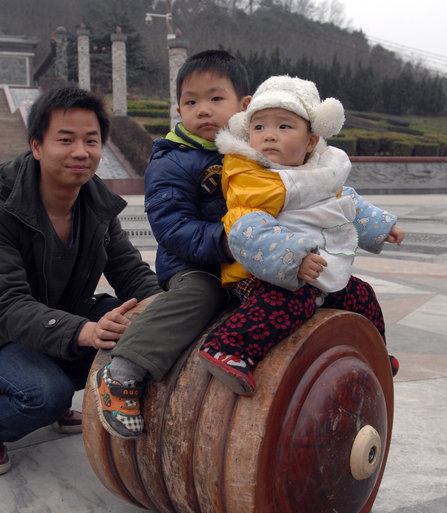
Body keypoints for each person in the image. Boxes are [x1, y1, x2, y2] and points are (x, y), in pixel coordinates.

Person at [199, 75, 405, 395]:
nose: (269, 135)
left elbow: (344, 202)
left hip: (317, 269)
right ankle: (228, 347)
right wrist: (294, 258)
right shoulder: (252, 178)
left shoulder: (319, 173)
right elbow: (246, 227)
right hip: (263, 272)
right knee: (290, 301)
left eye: (284, 127)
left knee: (361, 294)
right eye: (259, 127)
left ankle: (373, 347)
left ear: (310, 141)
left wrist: (380, 226)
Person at [0, 87, 161, 474]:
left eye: (91, 141)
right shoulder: (5, 204)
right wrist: (85, 332)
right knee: (44, 396)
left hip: (57, 320)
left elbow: (130, 272)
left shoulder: (94, 202)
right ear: (37, 145)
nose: (80, 152)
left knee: (129, 325)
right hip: (6, 334)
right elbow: (8, 304)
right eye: (65, 139)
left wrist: (164, 310)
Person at [92, 50, 251, 439]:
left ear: (244, 105)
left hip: (248, 258)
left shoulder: (254, 154)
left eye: (216, 99)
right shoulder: (173, 161)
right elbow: (172, 227)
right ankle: (124, 370)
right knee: (201, 293)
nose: (203, 110)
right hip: (192, 262)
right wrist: (225, 243)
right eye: (191, 102)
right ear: (178, 108)